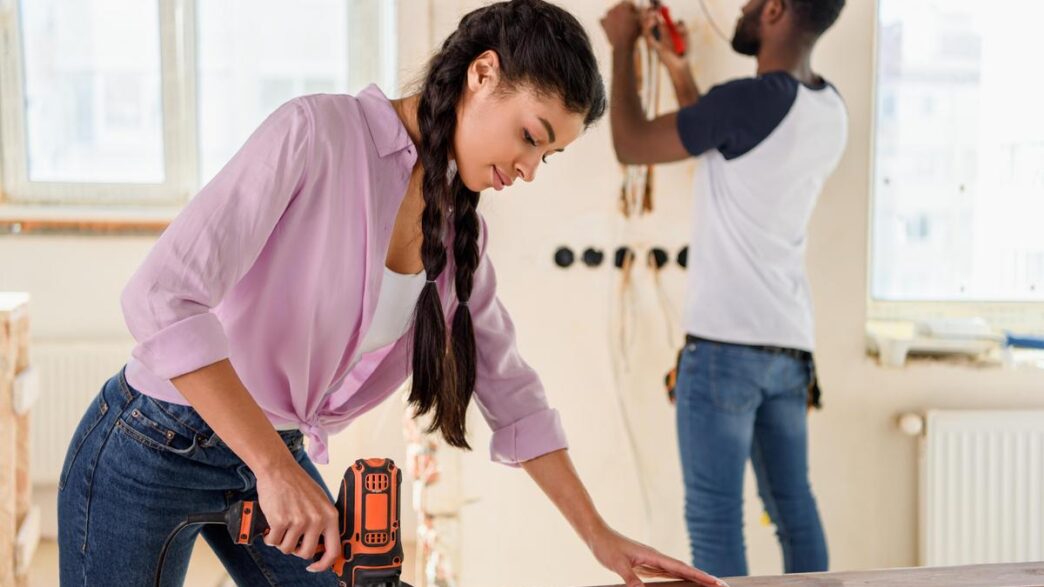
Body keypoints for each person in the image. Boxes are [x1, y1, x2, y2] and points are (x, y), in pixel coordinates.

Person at [57, 1, 727, 586]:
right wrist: (274, 466)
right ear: (482, 72)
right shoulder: (317, 134)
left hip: (270, 451)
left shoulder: (459, 237)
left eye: (544, 158)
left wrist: (600, 537)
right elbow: (160, 297)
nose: (527, 170)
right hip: (150, 444)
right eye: (531, 136)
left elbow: (513, 397)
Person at [601, 0, 847, 578]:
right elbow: (727, 144)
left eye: (751, 0)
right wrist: (678, 71)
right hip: (789, 350)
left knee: (714, 520)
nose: (740, 7)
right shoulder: (829, 107)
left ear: (776, 10)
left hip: (722, 353)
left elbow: (631, 143)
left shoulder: (747, 102)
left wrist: (620, 46)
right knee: (794, 509)